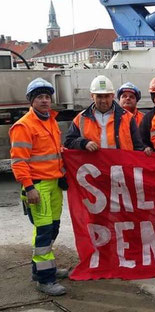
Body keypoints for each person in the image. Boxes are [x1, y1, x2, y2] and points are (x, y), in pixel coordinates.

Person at [9, 78, 68, 296]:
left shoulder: (49, 120)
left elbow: (54, 152)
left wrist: (62, 173)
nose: (44, 101)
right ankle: (45, 279)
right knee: (43, 233)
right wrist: (29, 187)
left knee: (53, 228)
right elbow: (19, 161)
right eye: (40, 97)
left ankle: (43, 267)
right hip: (38, 187)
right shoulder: (24, 126)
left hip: (53, 185)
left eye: (47, 97)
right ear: (31, 101)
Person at [64, 75, 150, 155]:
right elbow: (69, 142)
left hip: (121, 169)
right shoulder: (81, 118)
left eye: (106, 96)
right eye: (99, 96)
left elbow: (138, 147)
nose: (103, 100)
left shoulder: (128, 118)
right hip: (94, 169)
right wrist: (84, 143)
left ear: (112, 96)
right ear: (92, 96)